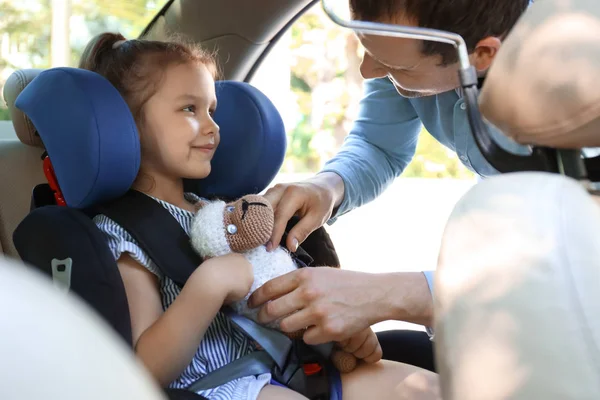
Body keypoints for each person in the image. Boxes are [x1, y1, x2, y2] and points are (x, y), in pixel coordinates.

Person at [82, 32, 440, 400]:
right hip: (223, 386)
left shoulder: (219, 212)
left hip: (292, 363)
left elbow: (267, 291)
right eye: (189, 109)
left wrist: (332, 331)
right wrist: (210, 285)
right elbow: (146, 369)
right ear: (126, 125)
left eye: (212, 110)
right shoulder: (125, 232)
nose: (212, 127)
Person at [248, 0, 532, 364]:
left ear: (481, 55)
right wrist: (328, 188)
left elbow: (575, 268)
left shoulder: (581, 86)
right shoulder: (402, 47)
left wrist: (386, 294)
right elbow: (378, 144)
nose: (368, 71)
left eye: (397, 66)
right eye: (366, 46)